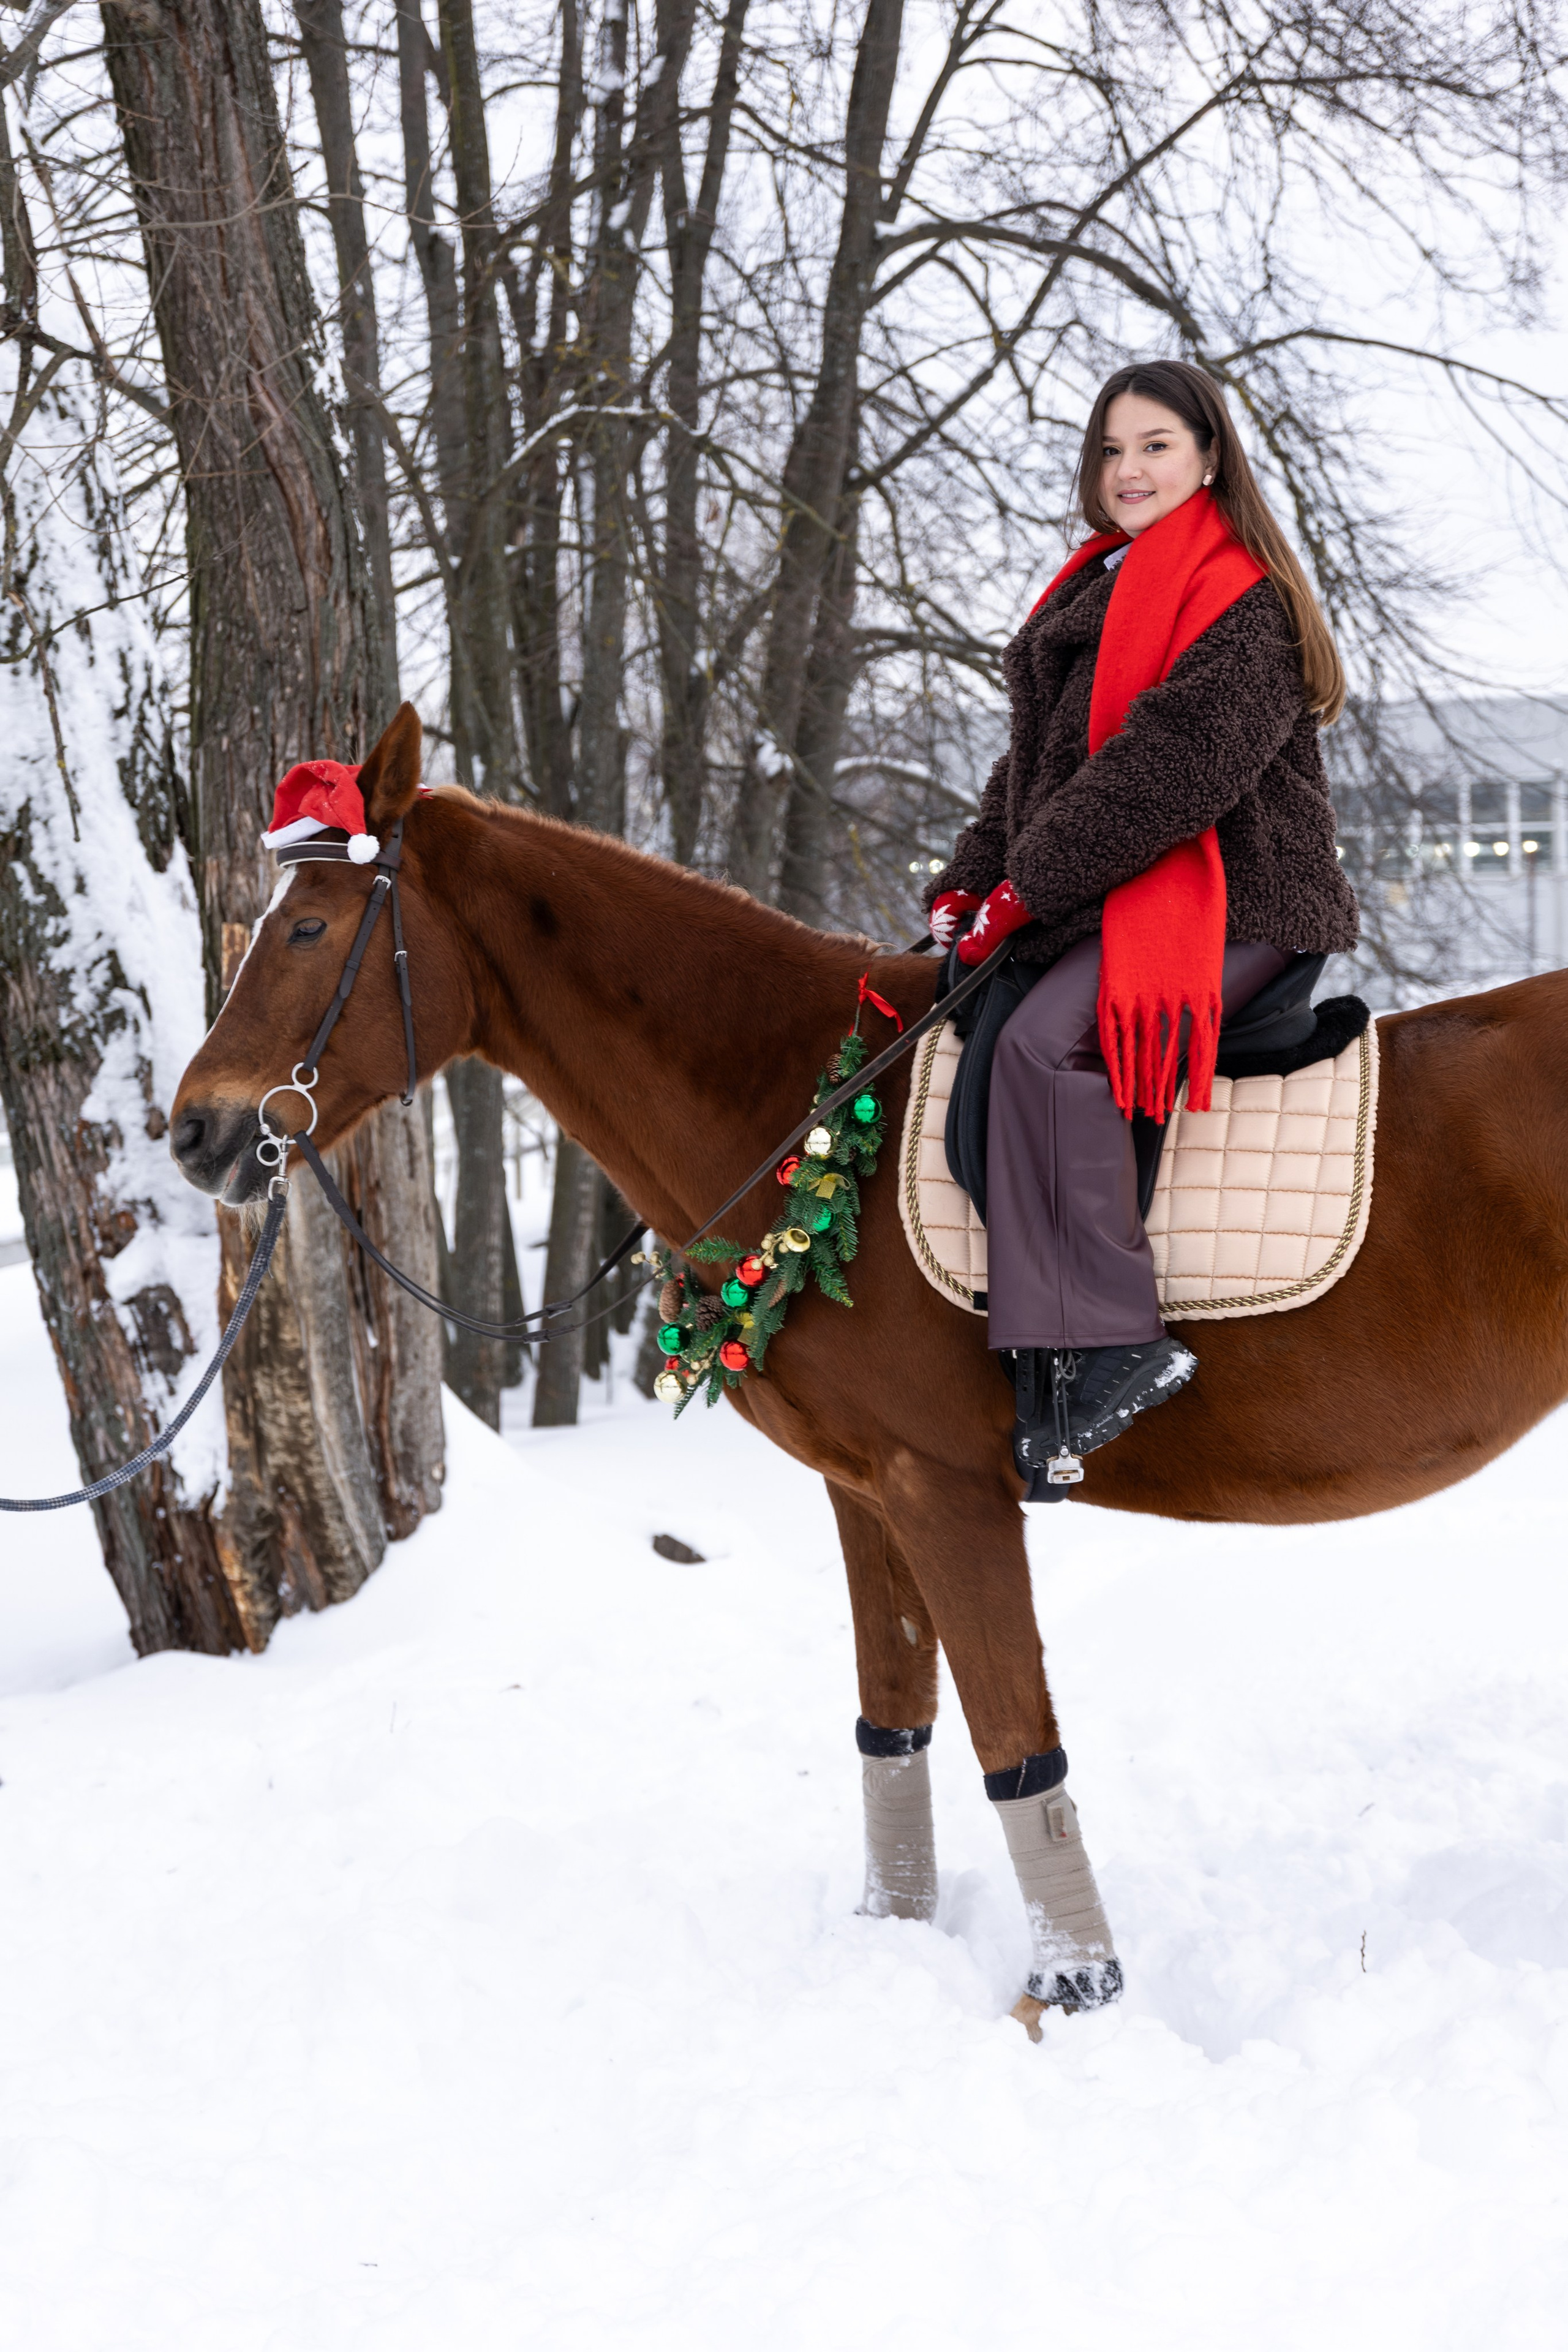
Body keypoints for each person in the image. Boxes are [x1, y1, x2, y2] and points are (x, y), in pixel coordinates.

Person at [924, 359, 1359, 1490]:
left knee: (1043, 1042)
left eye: (1155, 445)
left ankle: (1113, 1345)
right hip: (1113, 892)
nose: (1129, 470)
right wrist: (968, 885)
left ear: (1209, 456)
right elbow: (1032, 772)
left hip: (1242, 901)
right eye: (1113, 449)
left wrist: (1030, 891)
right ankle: (1044, 1365)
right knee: (974, 1040)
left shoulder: (1246, 604)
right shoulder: (1097, 590)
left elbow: (1166, 773)